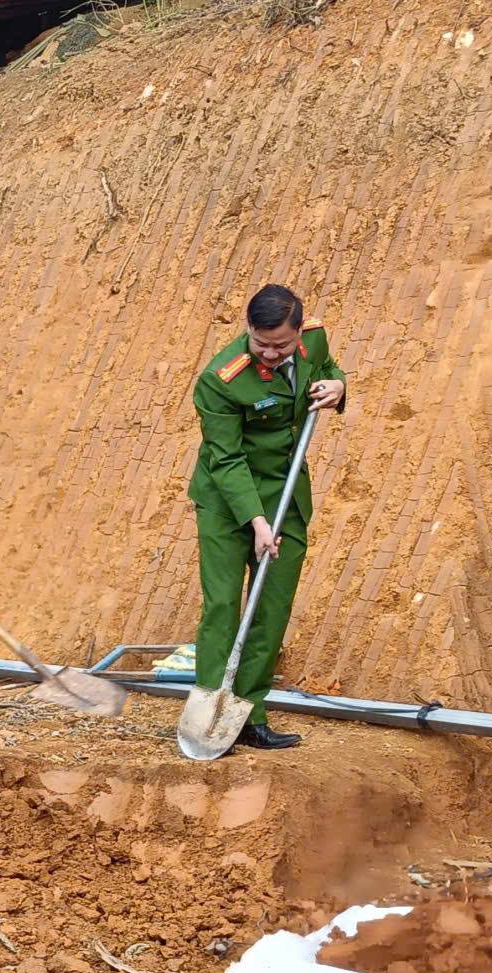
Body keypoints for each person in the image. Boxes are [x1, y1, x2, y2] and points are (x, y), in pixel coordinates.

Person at [184, 285, 346, 752]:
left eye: (281, 345)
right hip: (228, 500)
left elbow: (329, 371)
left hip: (286, 495)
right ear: (248, 330)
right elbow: (227, 459)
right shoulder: (220, 379)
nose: (271, 354)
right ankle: (211, 712)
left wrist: (338, 386)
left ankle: (250, 715)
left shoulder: (313, 341)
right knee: (223, 607)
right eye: (261, 344)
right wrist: (255, 521)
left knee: (271, 608)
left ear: (298, 331)